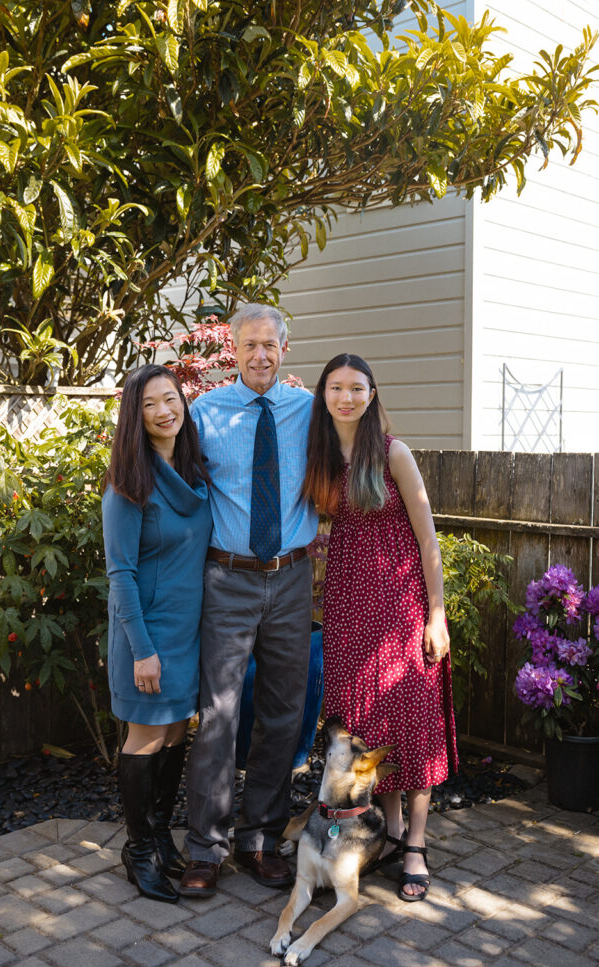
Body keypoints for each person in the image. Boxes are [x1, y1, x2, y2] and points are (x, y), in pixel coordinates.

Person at [303, 352, 458, 903]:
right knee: (370, 729)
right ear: (324, 395)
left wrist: (436, 615)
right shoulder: (319, 456)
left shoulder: (393, 453)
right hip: (347, 610)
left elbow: (429, 540)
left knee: (412, 723)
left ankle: (415, 844)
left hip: (401, 609)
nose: (347, 397)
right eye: (336, 388)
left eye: (357, 388)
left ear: (372, 395)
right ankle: (390, 834)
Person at [179, 303, 319, 897]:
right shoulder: (205, 413)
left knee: (283, 712)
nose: (260, 355)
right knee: (219, 714)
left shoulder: (310, 412)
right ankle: (205, 848)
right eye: (250, 345)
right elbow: (177, 490)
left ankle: (260, 837)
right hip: (227, 579)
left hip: (291, 578)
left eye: (271, 345)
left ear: (285, 349)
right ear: (233, 350)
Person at [102, 364, 212, 903]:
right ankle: (139, 849)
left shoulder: (194, 473)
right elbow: (120, 572)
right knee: (144, 736)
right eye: (149, 404)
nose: (164, 411)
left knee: (174, 733)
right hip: (143, 637)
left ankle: (162, 838)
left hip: (186, 634)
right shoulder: (128, 482)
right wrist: (142, 651)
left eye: (171, 399)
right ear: (135, 415)